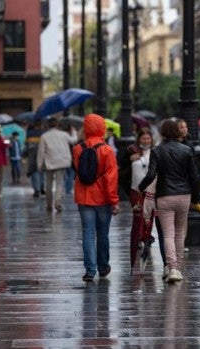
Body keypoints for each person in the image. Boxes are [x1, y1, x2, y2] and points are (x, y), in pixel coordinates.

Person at [138, 119, 199, 283]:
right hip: (184, 196)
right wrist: (196, 197)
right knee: (180, 233)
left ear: (162, 133)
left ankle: (171, 267)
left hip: (165, 196)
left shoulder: (157, 151)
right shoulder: (186, 150)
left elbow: (151, 175)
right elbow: (194, 176)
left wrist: (141, 187)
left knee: (168, 234)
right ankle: (177, 268)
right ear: (177, 132)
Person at [72, 113, 120, 282]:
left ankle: (90, 269)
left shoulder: (78, 149)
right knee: (103, 233)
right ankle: (103, 266)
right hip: (103, 198)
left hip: (84, 197)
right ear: (102, 128)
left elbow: (79, 171)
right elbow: (111, 178)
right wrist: (114, 201)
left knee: (88, 233)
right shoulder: (107, 150)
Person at [123, 128, 157, 265]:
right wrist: (129, 159)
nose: (146, 141)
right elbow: (121, 166)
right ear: (139, 139)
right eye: (143, 138)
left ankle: (147, 237)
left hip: (151, 189)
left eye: (148, 138)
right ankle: (138, 237)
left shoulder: (155, 152)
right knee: (138, 213)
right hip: (135, 189)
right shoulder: (132, 150)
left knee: (149, 215)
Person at [37, 117, 78, 212]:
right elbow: (74, 141)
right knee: (60, 183)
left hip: (49, 162)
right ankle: (58, 202)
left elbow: (41, 152)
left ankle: (48, 204)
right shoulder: (64, 134)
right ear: (57, 125)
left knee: (48, 184)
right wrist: (74, 131)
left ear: (48, 125)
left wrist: (39, 164)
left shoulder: (44, 136)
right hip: (62, 162)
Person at [25, 121, 46, 198]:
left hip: (32, 155)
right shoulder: (43, 133)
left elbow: (26, 146)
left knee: (34, 172)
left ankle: (36, 190)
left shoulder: (29, 133)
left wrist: (24, 154)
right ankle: (41, 187)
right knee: (42, 172)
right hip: (42, 155)